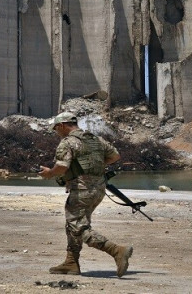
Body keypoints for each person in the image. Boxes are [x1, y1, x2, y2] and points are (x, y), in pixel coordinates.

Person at [38, 111, 133, 277]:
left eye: (56, 129)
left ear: (61, 125)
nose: (56, 132)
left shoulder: (67, 142)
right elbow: (115, 156)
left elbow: (61, 167)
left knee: (79, 227)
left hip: (81, 189)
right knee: (73, 225)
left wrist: (49, 173)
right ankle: (71, 262)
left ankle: (116, 250)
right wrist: (94, 166)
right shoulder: (95, 139)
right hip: (99, 189)